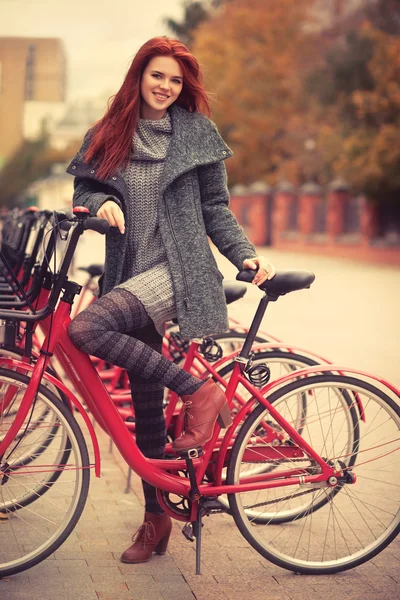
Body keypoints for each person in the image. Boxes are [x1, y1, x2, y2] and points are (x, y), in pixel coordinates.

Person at [67, 36, 275, 565]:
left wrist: (244, 256)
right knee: (144, 410)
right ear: (139, 76)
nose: (165, 86)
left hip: (176, 272)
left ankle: (199, 391)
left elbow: (216, 209)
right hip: (127, 272)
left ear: (185, 88)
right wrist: (101, 204)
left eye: (176, 80)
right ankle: (155, 520)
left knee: (85, 331)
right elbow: (84, 192)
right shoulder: (110, 132)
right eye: (157, 75)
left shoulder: (196, 135)